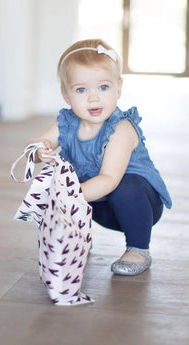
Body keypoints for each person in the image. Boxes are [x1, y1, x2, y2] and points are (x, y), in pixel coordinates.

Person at [28, 39, 172, 276]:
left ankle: (138, 248)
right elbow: (37, 144)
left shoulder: (121, 129)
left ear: (119, 88)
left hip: (138, 205)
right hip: (97, 205)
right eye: (81, 90)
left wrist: (69, 195)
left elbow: (109, 180)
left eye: (103, 87)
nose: (93, 98)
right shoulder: (66, 122)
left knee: (125, 186)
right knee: (57, 177)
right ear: (66, 95)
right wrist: (38, 151)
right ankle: (78, 236)